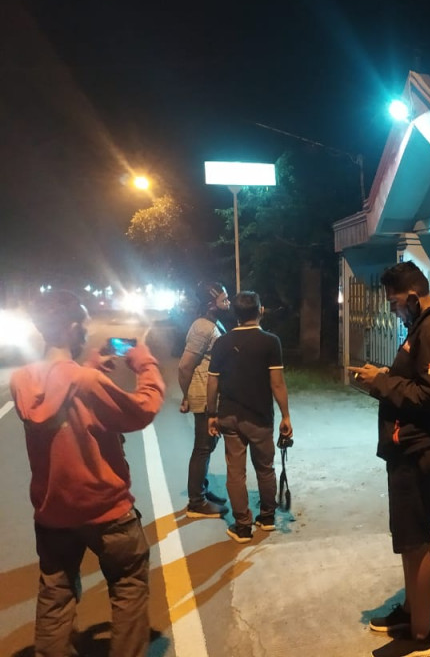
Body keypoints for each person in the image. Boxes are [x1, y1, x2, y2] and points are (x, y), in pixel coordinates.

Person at [9, 289, 165, 657]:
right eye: (82, 324)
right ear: (70, 328)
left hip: (53, 513)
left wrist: (89, 369)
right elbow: (142, 410)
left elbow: (60, 391)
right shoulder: (86, 383)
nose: (86, 331)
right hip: (108, 513)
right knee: (128, 586)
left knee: (56, 595)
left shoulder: (22, 381)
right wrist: (144, 364)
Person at [349, 261, 430, 657]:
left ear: (412, 297)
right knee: (407, 537)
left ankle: (421, 636)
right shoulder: (421, 325)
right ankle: (411, 613)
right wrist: (384, 377)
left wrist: (382, 382)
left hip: (419, 449)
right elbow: (414, 382)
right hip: (406, 447)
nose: (394, 311)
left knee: (416, 541)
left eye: (395, 303)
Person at [206, 290, 292, 544]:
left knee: (236, 472)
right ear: (260, 311)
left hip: (229, 417)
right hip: (260, 417)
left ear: (235, 314)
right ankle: (267, 517)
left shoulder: (221, 343)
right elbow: (277, 384)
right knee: (265, 468)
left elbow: (212, 383)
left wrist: (212, 414)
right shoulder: (270, 342)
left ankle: (243, 526)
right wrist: (286, 416)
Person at [178, 281, 231, 519]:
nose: (228, 303)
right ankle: (196, 502)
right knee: (202, 447)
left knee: (208, 445)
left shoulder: (212, 323)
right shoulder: (201, 327)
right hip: (203, 393)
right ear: (211, 304)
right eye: (223, 300)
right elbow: (184, 366)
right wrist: (186, 395)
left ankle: (202, 490)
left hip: (212, 393)